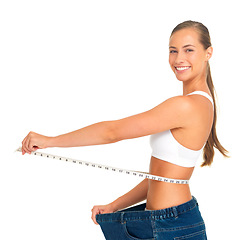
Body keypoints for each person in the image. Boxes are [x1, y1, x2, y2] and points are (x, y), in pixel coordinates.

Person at [21, 20, 228, 239]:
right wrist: (115, 205)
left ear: (208, 52)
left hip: (172, 226)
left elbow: (112, 132)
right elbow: (161, 178)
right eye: (173, 51)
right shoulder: (199, 102)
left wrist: (50, 140)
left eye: (189, 50)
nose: (178, 59)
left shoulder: (186, 105)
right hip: (165, 221)